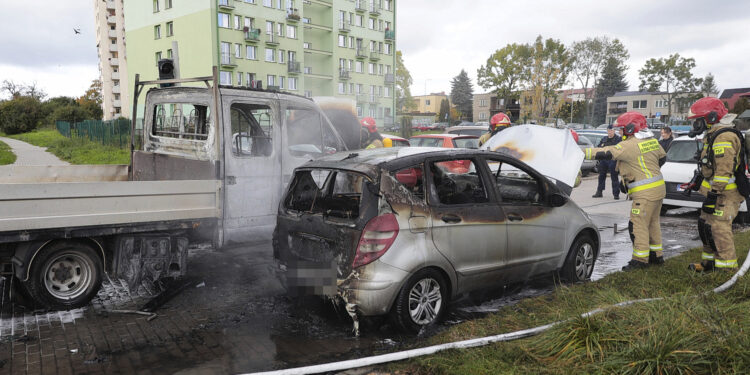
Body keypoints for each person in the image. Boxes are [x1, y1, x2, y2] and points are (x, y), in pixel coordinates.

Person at [583, 112, 667, 270]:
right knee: (653, 223)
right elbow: (662, 158)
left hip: (645, 193)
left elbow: (607, 152)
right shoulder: (652, 141)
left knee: (638, 224)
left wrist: (581, 153)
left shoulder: (628, 145)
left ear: (630, 128)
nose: (619, 132)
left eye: (621, 129)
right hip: (658, 190)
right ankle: (656, 256)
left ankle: (640, 261)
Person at [686, 97, 743, 273]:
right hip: (717, 192)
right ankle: (709, 264)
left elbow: (724, 171)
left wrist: (713, 195)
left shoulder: (723, 137)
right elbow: (711, 167)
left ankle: (726, 268)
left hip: (725, 194)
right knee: (705, 225)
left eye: (698, 120)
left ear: (710, 118)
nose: (696, 124)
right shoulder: (713, 135)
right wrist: (698, 181)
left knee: (719, 228)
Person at [592, 125, 622, 199]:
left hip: (613, 160)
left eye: (611, 130)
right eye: (608, 130)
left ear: (614, 131)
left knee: (614, 177)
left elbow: (620, 149)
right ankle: (599, 192)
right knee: (601, 176)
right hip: (604, 160)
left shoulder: (618, 139)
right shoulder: (604, 139)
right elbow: (599, 147)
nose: (609, 132)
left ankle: (616, 194)